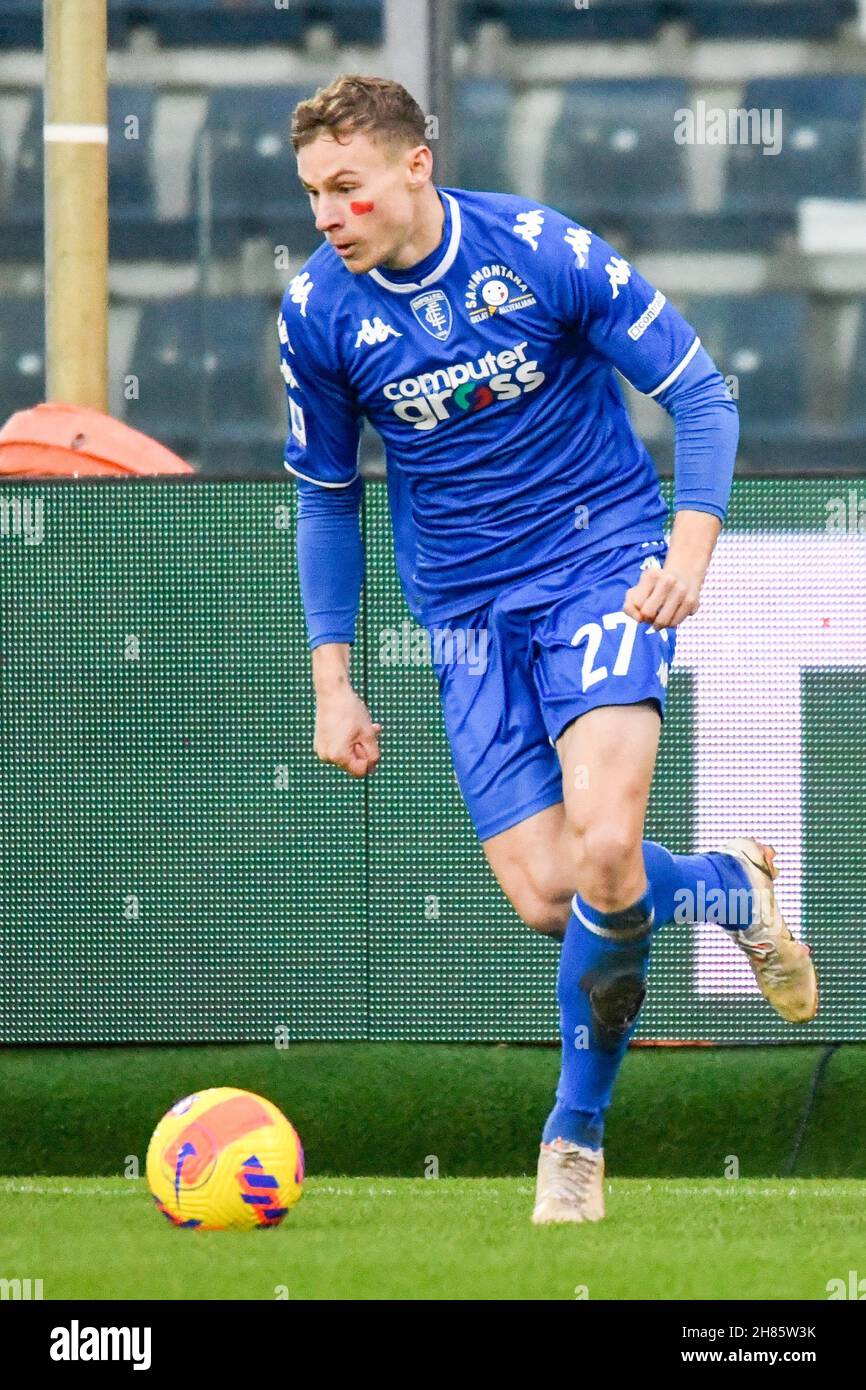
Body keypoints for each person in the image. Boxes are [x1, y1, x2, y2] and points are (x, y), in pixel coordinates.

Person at [278, 73, 818, 1225]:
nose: (327, 216)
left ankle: (571, 1139)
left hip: (597, 565)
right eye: (314, 194)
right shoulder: (319, 312)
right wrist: (333, 676)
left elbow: (701, 394)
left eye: (345, 188)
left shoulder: (537, 250)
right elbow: (327, 498)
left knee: (608, 843)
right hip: (465, 614)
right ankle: (729, 886)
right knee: (550, 892)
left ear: (412, 165)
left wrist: (688, 546)